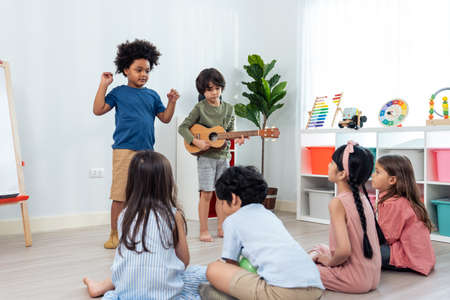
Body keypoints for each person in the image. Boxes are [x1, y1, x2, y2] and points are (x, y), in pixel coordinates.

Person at [83, 151, 207, 299]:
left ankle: (100, 286)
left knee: (130, 269)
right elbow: (184, 261)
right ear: (166, 183)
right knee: (198, 272)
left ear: (132, 183)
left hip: (127, 291)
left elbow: (123, 258)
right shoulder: (173, 215)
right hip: (164, 294)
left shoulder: (124, 215)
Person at [93, 39, 179, 249]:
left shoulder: (152, 95)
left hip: (147, 152)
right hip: (124, 150)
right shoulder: (119, 93)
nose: (143, 74)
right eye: (138, 69)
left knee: (145, 196)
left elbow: (165, 118)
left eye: (147, 70)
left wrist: (172, 102)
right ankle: (115, 233)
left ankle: (142, 231)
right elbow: (98, 109)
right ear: (126, 70)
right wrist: (104, 85)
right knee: (120, 195)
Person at [204, 166, 324, 300]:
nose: (221, 207)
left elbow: (231, 264)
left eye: (221, 203)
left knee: (214, 269)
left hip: (283, 292)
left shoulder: (232, 221)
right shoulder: (270, 215)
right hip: (316, 288)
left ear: (233, 199)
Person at [178, 68, 243, 242]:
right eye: (209, 90)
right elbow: (183, 127)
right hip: (206, 158)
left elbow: (230, 131)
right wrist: (196, 141)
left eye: (217, 88)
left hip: (223, 157)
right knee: (206, 193)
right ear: (202, 91)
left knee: (222, 194)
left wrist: (238, 138)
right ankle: (204, 230)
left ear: (222, 87)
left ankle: (222, 228)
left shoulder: (229, 109)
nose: (214, 93)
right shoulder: (200, 108)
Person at [309, 141, 381, 293]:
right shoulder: (364, 199)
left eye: (331, 163)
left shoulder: (338, 203)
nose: (329, 165)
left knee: (299, 266)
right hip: (372, 276)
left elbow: (343, 251)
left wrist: (328, 261)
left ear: (342, 174)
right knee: (319, 248)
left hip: (352, 279)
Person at [372, 154, 435, 275]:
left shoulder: (393, 203)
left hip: (409, 258)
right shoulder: (400, 200)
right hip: (421, 257)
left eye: (377, 172)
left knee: (363, 251)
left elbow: (387, 237)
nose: (373, 175)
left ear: (392, 180)